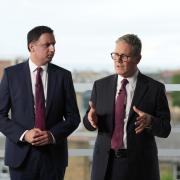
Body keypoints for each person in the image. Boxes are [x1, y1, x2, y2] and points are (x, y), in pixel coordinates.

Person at [83, 34, 171, 180]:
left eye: (124, 56)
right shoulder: (100, 86)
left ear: (138, 58)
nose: (118, 60)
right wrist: (90, 119)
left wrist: (150, 121)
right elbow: (88, 122)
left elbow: (165, 129)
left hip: (140, 166)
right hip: (105, 165)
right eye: (115, 55)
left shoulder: (155, 89)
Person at [0, 25, 80, 180]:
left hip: (54, 158)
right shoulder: (11, 75)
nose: (52, 49)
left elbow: (73, 117)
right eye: (47, 45)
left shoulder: (64, 76)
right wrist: (24, 135)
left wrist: (51, 135)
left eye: (54, 44)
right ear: (32, 47)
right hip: (20, 157)